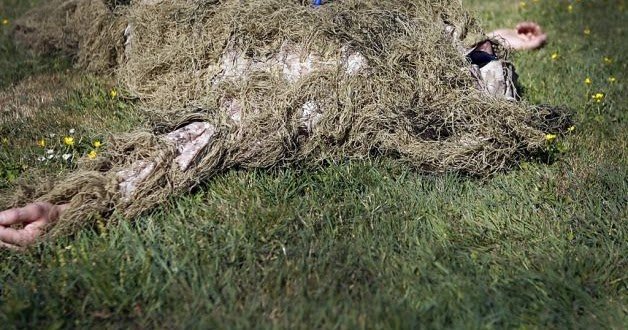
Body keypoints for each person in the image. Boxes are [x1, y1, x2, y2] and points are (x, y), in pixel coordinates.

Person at [0, 1, 552, 250]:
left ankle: (80, 202)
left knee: (250, 116)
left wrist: (502, 39)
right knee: (241, 114)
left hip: (334, 70)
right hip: (273, 54)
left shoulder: (392, 44)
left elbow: (458, 56)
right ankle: (77, 202)